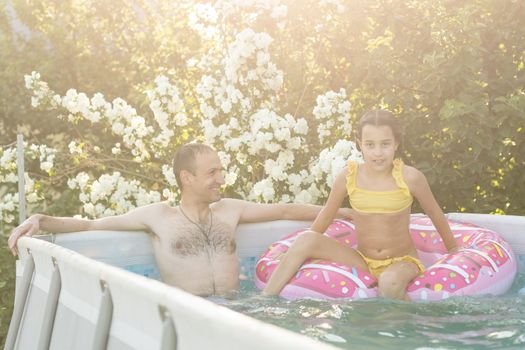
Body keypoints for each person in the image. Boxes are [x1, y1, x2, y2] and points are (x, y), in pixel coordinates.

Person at [8, 143, 353, 297]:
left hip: (239, 308)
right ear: (186, 178)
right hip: (190, 314)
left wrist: (350, 213)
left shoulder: (230, 210)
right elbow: (91, 225)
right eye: (212, 172)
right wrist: (40, 218)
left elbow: (287, 210)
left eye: (221, 170)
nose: (221, 178)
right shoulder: (159, 217)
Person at [262, 109, 458, 300]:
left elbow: (435, 214)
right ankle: (265, 299)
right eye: (370, 145)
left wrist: (454, 253)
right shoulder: (348, 176)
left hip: (402, 261)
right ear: (360, 145)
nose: (378, 152)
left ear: (396, 144)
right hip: (363, 259)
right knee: (306, 239)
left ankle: (409, 321)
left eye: (385, 144)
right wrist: (292, 252)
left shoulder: (411, 177)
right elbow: (326, 216)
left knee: (389, 282)